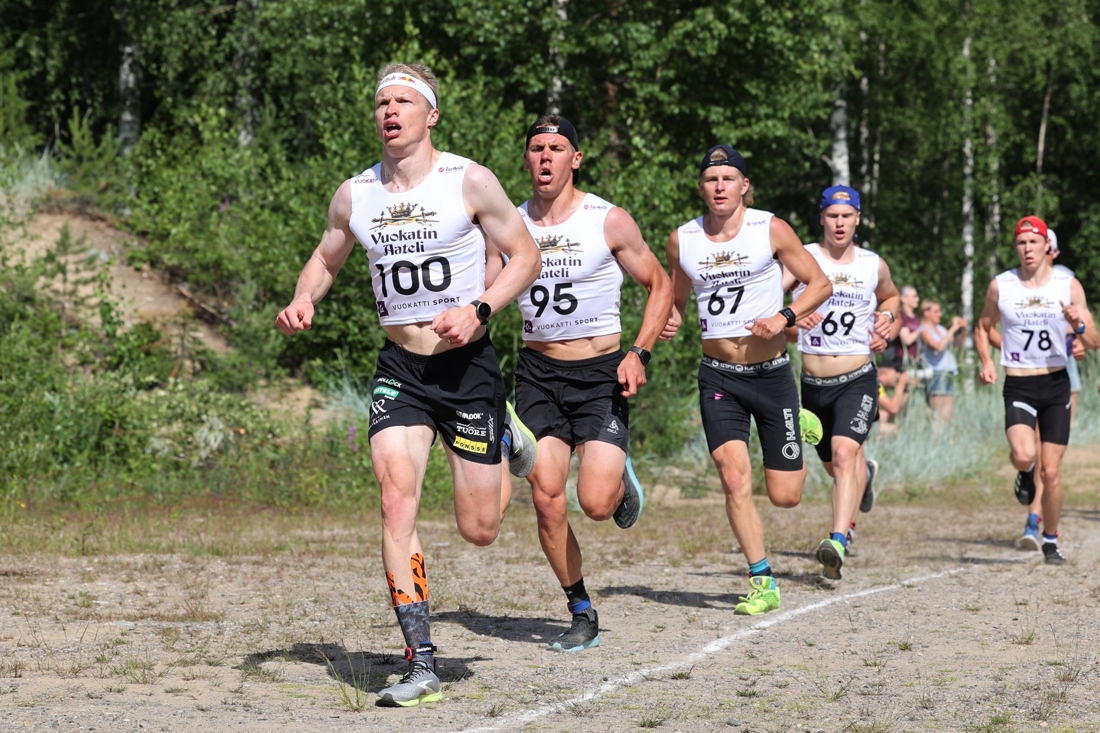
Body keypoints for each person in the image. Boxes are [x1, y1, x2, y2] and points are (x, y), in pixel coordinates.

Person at [275, 63, 542, 706]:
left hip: (468, 367)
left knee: (480, 526)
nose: (389, 111)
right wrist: (304, 297)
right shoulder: (355, 194)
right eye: (381, 102)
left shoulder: (470, 180)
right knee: (397, 501)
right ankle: (420, 659)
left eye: (403, 101)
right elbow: (326, 253)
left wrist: (479, 310)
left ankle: (506, 433)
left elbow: (527, 257)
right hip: (402, 370)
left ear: (431, 116)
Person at [501, 115, 672, 652]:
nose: (545, 156)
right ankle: (580, 608)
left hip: (601, 374)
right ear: (527, 159)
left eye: (556, 147)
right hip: (537, 373)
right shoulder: (507, 222)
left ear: (575, 158)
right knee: (547, 498)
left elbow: (659, 283)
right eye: (536, 148)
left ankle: (620, 479)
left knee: (595, 504)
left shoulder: (608, 219)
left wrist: (640, 351)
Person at [661, 144, 831, 614]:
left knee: (785, 496)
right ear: (702, 187)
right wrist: (668, 320)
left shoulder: (769, 228)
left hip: (772, 374)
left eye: (728, 179)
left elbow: (820, 283)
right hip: (718, 375)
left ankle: (799, 419)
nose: (720, 187)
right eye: (712, 180)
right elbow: (674, 298)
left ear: (744, 186)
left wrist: (786, 316)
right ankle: (762, 581)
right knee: (733, 479)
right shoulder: (683, 239)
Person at [783, 185, 899, 580]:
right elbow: (769, 306)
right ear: (822, 218)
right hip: (812, 383)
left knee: (845, 454)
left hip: (858, 378)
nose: (839, 223)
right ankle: (865, 478)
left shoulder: (872, 264)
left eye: (846, 216)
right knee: (836, 466)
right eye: (832, 215)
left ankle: (837, 540)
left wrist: (888, 321)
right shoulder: (803, 258)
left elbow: (891, 297)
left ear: (858, 220)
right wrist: (792, 317)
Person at [974, 216, 1099, 565]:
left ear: (1048, 246)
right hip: (1019, 383)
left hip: (1057, 383)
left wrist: (1078, 323)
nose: (1027, 249)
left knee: (1053, 471)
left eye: (1033, 242)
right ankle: (1024, 473)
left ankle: (1050, 539)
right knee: (1024, 455)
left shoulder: (1068, 284)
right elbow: (982, 326)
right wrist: (986, 360)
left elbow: (1093, 341)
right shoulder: (1002, 285)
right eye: (1021, 243)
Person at [918, 300, 966, 424]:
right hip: (935, 373)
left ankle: (944, 439)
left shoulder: (940, 329)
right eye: (936, 311)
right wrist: (952, 328)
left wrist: (963, 329)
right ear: (926, 313)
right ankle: (934, 440)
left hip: (947, 372)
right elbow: (939, 347)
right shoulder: (923, 331)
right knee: (938, 413)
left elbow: (958, 344)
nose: (939, 314)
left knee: (947, 413)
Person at [875, 363, 909, 435]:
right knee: (897, 431)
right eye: (896, 373)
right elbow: (893, 408)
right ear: (886, 372)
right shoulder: (875, 383)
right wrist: (901, 384)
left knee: (886, 415)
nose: (897, 378)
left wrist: (906, 389)